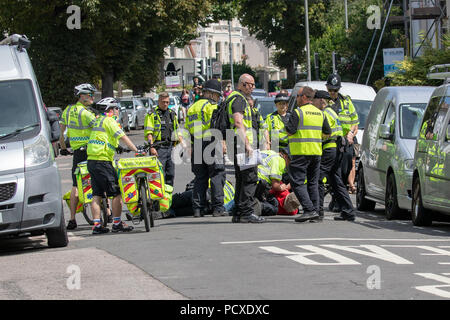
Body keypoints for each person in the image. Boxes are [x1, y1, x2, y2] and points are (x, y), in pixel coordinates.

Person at [86, 97, 138, 234]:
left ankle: (97, 226)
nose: (117, 111)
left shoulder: (99, 120)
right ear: (111, 109)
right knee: (116, 193)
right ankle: (116, 223)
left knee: (97, 194)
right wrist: (136, 150)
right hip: (102, 161)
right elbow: (123, 137)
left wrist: (118, 148)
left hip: (92, 160)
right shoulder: (110, 121)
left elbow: (104, 139)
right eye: (116, 108)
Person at [286, 86, 331, 223]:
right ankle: (316, 212)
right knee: (313, 183)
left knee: (297, 182)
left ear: (304, 97)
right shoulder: (320, 113)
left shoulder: (298, 112)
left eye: (298, 96)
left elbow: (290, 131)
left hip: (301, 152)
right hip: (316, 152)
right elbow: (328, 133)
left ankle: (309, 209)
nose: (297, 99)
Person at [185, 79, 227, 217]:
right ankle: (218, 208)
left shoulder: (191, 108)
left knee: (200, 177)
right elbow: (219, 126)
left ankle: (198, 209)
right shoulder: (212, 106)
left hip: (196, 143)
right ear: (211, 94)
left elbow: (187, 128)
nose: (217, 98)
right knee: (216, 175)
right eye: (217, 95)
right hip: (212, 142)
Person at [312, 90, 356, 222]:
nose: (313, 103)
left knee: (319, 178)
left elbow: (325, 133)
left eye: (314, 100)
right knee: (336, 181)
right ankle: (348, 211)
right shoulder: (332, 111)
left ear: (321, 100)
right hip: (337, 149)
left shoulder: (324, 113)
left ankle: (318, 211)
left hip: (329, 148)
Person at [59, 83, 97, 230]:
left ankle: (72, 219)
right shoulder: (87, 113)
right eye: (90, 95)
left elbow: (62, 133)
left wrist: (63, 149)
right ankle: (106, 211)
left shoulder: (67, 111)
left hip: (77, 153)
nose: (92, 97)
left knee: (76, 185)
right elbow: (100, 129)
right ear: (82, 96)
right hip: (91, 151)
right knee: (98, 180)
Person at [227, 74, 265, 223]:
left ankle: (238, 212)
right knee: (250, 178)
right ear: (243, 84)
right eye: (251, 84)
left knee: (241, 179)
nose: (253, 87)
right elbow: (238, 122)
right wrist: (247, 144)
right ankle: (246, 213)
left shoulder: (235, 98)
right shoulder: (238, 99)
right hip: (241, 144)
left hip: (236, 143)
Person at [326, 73, 359, 193]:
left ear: (339, 89)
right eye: (330, 90)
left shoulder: (346, 101)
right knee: (334, 169)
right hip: (331, 140)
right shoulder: (324, 101)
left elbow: (355, 121)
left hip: (346, 140)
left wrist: (351, 133)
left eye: (335, 90)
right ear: (326, 88)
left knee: (347, 165)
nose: (332, 92)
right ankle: (336, 194)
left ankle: (341, 188)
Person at [144, 92, 181, 187]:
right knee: (159, 176)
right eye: (163, 102)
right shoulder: (152, 114)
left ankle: (168, 199)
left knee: (170, 175)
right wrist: (151, 147)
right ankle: (158, 200)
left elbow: (177, 131)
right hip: (158, 148)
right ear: (159, 101)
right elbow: (149, 133)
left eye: (167, 102)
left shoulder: (172, 114)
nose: (165, 104)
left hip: (170, 148)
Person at [255, 149, 298, 216]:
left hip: (248, 180)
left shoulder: (270, 152)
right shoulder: (280, 161)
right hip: (259, 184)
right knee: (274, 209)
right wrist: (281, 187)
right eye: (290, 162)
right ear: (285, 157)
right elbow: (275, 186)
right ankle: (256, 205)